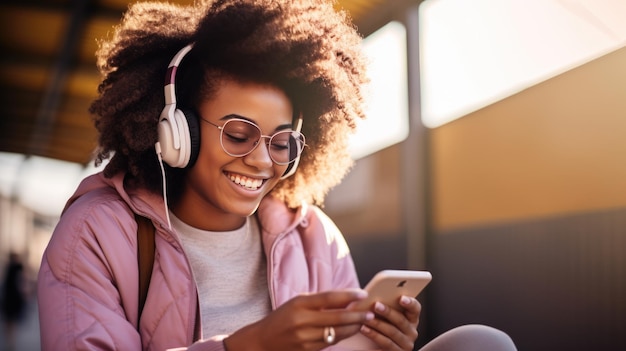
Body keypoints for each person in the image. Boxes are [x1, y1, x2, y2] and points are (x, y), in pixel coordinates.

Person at [37, 1, 517, 350]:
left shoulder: (311, 233)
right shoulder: (96, 233)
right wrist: (247, 347)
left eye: (281, 141)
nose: (263, 160)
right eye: (239, 133)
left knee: (483, 342)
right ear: (175, 130)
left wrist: (379, 342)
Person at [1, 252, 27, 351]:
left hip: (10, 299)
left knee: (10, 323)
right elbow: (21, 283)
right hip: (12, 299)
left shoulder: (12, 268)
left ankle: (10, 344)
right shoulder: (16, 268)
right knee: (11, 323)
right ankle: (11, 344)